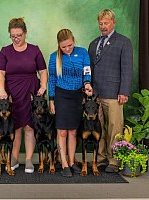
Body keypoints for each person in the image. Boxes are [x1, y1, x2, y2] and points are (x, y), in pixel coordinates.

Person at [0, 17, 48, 173]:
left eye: (19, 35)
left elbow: (43, 71)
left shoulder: (35, 50)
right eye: (13, 36)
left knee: (30, 127)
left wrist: (43, 86)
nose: (16, 39)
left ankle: (28, 160)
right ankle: (14, 157)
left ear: (25, 33)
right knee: (15, 126)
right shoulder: (5, 51)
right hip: (12, 92)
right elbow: (0, 72)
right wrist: (2, 90)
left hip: (31, 90)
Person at [88, 9, 133, 173]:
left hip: (115, 94)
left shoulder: (123, 42)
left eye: (106, 23)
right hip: (95, 95)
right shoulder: (93, 44)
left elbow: (127, 69)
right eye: (100, 23)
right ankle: (101, 158)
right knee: (98, 128)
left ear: (113, 22)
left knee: (115, 127)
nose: (103, 26)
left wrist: (124, 91)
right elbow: (90, 69)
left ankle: (114, 161)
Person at [48, 29, 93, 177]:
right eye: (63, 47)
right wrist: (52, 100)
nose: (67, 49)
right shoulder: (54, 57)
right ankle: (64, 164)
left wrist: (87, 84)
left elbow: (87, 71)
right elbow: (52, 79)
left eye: (70, 45)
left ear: (74, 40)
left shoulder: (82, 52)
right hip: (61, 95)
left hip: (77, 95)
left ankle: (72, 162)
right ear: (59, 45)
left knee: (73, 132)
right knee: (62, 131)